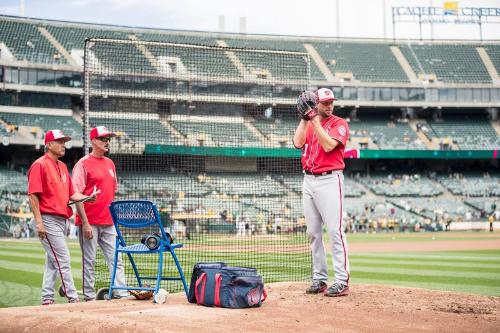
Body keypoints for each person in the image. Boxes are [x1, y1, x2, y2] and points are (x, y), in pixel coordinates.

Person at [293, 88, 350, 297]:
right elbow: (298, 143)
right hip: (308, 179)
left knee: (335, 231)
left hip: (329, 180)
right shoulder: (308, 123)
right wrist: (303, 119)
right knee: (313, 233)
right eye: (325, 102)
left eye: (331, 102)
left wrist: (314, 120)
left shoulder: (339, 124)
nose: (329, 106)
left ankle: (342, 280)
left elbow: (328, 146)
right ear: (316, 104)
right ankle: (319, 279)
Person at [28, 129, 94, 305]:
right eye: (60, 142)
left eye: (64, 142)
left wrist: (88, 197)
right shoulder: (39, 165)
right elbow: (33, 195)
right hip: (47, 218)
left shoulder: (63, 166)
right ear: (49, 145)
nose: (64, 145)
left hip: (62, 220)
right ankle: (73, 297)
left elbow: (73, 194)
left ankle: (47, 298)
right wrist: (39, 222)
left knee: (52, 260)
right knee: (63, 258)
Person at [72, 126, 128, 301]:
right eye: (103, 139)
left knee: (116, 259)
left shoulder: (110, 163)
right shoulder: (82, 164)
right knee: (89, 261)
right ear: (94, 141)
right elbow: (76, 195)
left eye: (108, 139)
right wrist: (85, 222)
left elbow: (112, 192)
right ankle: (89, 296)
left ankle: (121, 293)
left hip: (108, 221)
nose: (107, 142)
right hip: (90, 222)